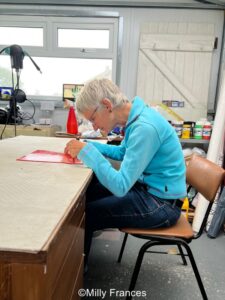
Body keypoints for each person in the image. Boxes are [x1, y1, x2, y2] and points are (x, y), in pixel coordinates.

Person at [64, 78, 186, 265]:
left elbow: (120, 186)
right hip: (149, 190)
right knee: (88, 193)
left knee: (85, 214)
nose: (94, 126)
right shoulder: (136, 118)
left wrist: (87, 153)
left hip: (162, 205)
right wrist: (89, 145)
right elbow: (123, 152)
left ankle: (76, 274)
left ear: (107, 105)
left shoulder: (145, 128)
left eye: (93, 119)